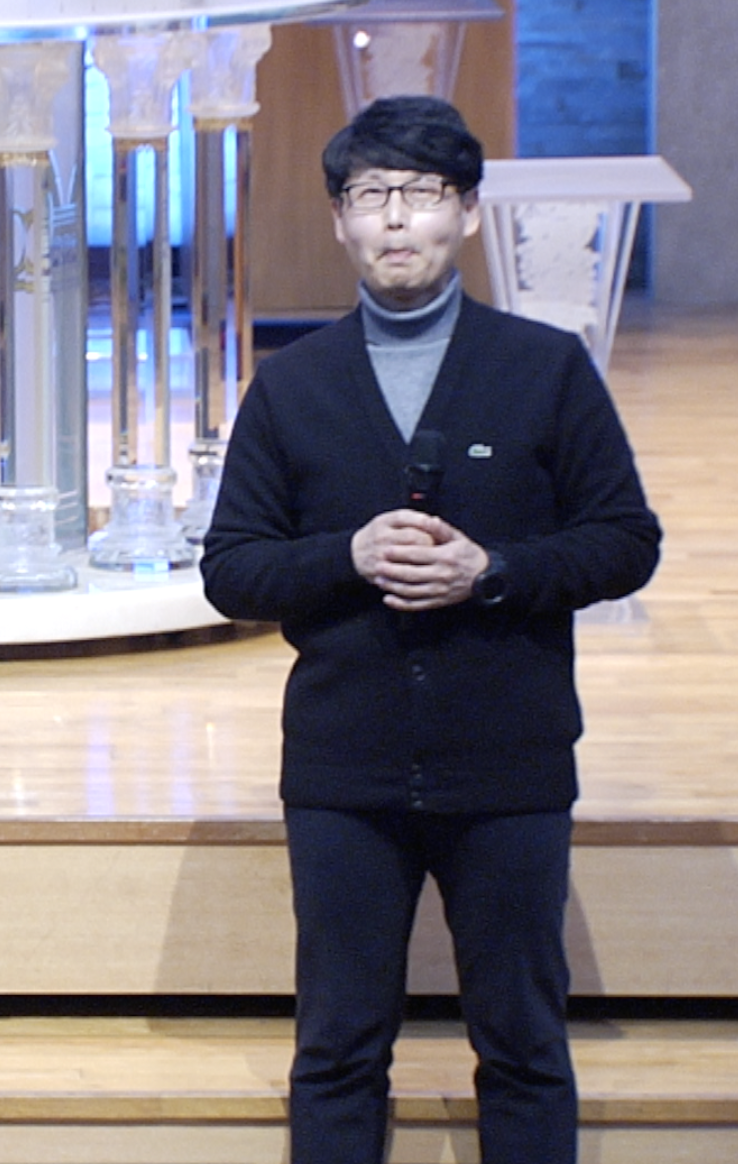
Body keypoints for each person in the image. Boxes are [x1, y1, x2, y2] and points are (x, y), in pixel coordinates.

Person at [200, 96, 661, 1164]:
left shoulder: (544, 367)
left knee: (524, 1046)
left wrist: (492, 572)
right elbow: (231, 568)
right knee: (336, 1050)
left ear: (467, 211)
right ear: (339, 220)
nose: (397, 218)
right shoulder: (292, 386)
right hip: (343, 769)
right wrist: (348, 556)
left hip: (509, 760)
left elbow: (625, 540)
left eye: (421, 192)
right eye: (371, 195)